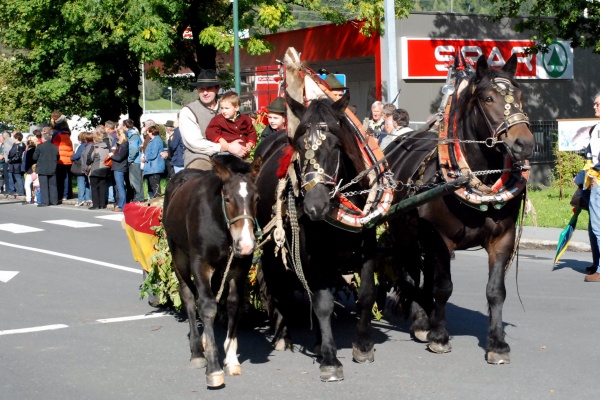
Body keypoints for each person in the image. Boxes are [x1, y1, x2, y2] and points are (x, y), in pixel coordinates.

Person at [179, 69, 247, 170]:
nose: (205, 92)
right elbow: (194, 143)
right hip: (199, 157)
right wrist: (226, 147)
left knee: (252, 173)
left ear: (217, 88)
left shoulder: (228, 108)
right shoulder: (188, 111)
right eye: (201, 89)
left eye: (209, 88)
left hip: (230, 156)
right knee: (204, 177)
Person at [205, 91, 257, 159]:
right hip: (225, 151)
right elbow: (211, 132)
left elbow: (251, 132)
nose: (224, 111)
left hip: (242, 150)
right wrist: (221, 140)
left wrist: (250, 144)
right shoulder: (218, 120)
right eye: (222, 108)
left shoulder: (245, 119)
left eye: (227, 108)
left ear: (236, 108)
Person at [584, 92, 600, 282]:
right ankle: (596, 263)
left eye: (597, 104)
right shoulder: (596, 128)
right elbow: (590, 156)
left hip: (598, 183)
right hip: (592, 183)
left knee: (598, 227)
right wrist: (582, 176)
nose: (594, 107)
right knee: (592, 227)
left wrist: (595, 173)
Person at [50, 111, 74, 201]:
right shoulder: (67, 133)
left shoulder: (57, 134)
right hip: (68, 158)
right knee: (67, 177)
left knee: (60, 178)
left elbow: (54, 146)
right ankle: (66, 194)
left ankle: (60, 194)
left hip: (60, 158)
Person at [33, 131, 59, 207]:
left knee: (44, 186)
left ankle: (45, 202)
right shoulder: (55, 147)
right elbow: (58, 157)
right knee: (53, 185)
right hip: (52, 168)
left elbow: (35, 157)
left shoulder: (40, 147)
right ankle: (54, 201)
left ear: (44, 138)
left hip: (42, 168)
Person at [86, 130, 111, 210]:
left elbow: (90, 159)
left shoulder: (95, 147)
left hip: (96, 169)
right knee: (102, 186)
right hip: (105, 168)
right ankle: (102, 204)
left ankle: (96, 204)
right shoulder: (106, 147)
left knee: (94, 187)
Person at [142, 125, 165, 198]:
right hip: (152, 167)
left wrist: (145, 159)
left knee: (155, 188)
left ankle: (157, 205)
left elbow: (153, 154)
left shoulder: (156, 140)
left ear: (151, 132)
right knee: (152, 187)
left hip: (154, 167)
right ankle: (153, 203)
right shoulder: (154, 140)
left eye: (148, 132)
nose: (148, 134)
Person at [70, 132, 93, 206]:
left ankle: (81, 199)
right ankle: (88, 198)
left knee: (81, 182)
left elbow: (77, 156)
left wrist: (72, 158)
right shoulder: (90, 145)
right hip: (87, 166)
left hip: (80, 166)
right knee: (87, 183)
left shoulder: (82, 146)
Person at [109, 127, 129, 212]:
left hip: (119, 167)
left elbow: (120, 157)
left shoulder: (123, 145)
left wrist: (112, 156)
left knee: (120, 187)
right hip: (118, 167)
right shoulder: (121, 145)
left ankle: (122, 206)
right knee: (119, 187)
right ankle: (121, 205)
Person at [125, 119, 144, 202]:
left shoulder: (132, 135)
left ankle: (139, 198)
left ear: (125, 126)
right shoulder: (134, 133)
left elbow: (134, 149)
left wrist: (130, 159)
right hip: (136, 160)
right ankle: (138, 197)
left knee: (135, 181)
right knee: (136, 180)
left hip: (135, 161)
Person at [7, 131, 26, 196]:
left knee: (18, 178)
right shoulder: (23, 145)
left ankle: (21, 192)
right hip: (20, 163)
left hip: (15, 164)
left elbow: (10, 154)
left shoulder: (16, 146)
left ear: (16, 138)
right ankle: (23, 191)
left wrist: (9, 158)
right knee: (21, 178)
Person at [21, 135, 38, 204]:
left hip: (31, 170)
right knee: (36, 185)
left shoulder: (29, 151)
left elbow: (28, 161)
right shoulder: (37, 149)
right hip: (36, 169)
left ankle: (29, 198)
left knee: (27, 184)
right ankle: (37, 198)